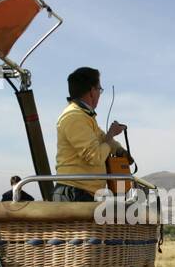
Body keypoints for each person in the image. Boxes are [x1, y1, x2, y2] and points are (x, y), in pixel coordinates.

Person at [54, 66, 126, 203]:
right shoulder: (73, 117)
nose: (99, 93)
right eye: (99, 89)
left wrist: (120, 150)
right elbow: (95, 156)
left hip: (83, 192)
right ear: (92, 91)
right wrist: (112, 134)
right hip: (74, 193)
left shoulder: (85, 116)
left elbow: (101, 138)